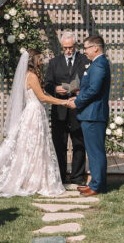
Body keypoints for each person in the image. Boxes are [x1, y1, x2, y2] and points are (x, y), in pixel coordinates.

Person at [0, 49, 69, 198]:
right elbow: (42, 97)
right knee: (34, 146)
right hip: (34, 112)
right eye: (40, 59)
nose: (42, 61)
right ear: (33, 60)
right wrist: (63, 102)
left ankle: (32, 179)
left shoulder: (28, 75)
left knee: (33, 147)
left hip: (33, 112)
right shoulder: (31, 76)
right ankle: (33, 181)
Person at [65, 35, 112, 196]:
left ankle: (97, 186)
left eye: (86, 48)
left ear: (95, 48)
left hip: (94, 115)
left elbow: (94, 90)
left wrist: (77, 103)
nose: (84, 51)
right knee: (92, 151)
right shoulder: (96, 63)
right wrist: (77, 96)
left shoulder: (99, 64)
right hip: (90, 114)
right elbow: (89, 88)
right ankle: (95, 183)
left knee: (95, 151)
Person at [43, 32, 90, 188]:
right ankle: (61, 177)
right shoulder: (54, 62)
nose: (68, 51)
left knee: (79, 143)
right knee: (59, 144)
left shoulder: (84, 60)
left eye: (70, 48)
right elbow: (47, 83)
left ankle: (77, 177)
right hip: (60, 109)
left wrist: (80, 91)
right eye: (65, 48)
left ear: (75, 46)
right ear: (61, 47)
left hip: (78, 108)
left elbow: (90, 82)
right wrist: (55, 88)